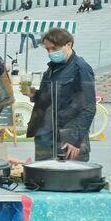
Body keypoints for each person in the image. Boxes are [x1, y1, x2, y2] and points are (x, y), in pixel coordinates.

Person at [26, 27, 96, 162]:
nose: (50, 52)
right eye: (47, 49)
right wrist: (34, 95)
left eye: (54, 48)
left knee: (65, 174)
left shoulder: (81, 68)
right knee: (42, 172)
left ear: (68, 44)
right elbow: (51, 98)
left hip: (67, 137)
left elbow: (89, 107)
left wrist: (74, 140)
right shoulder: (52, 68)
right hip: (46, 135)